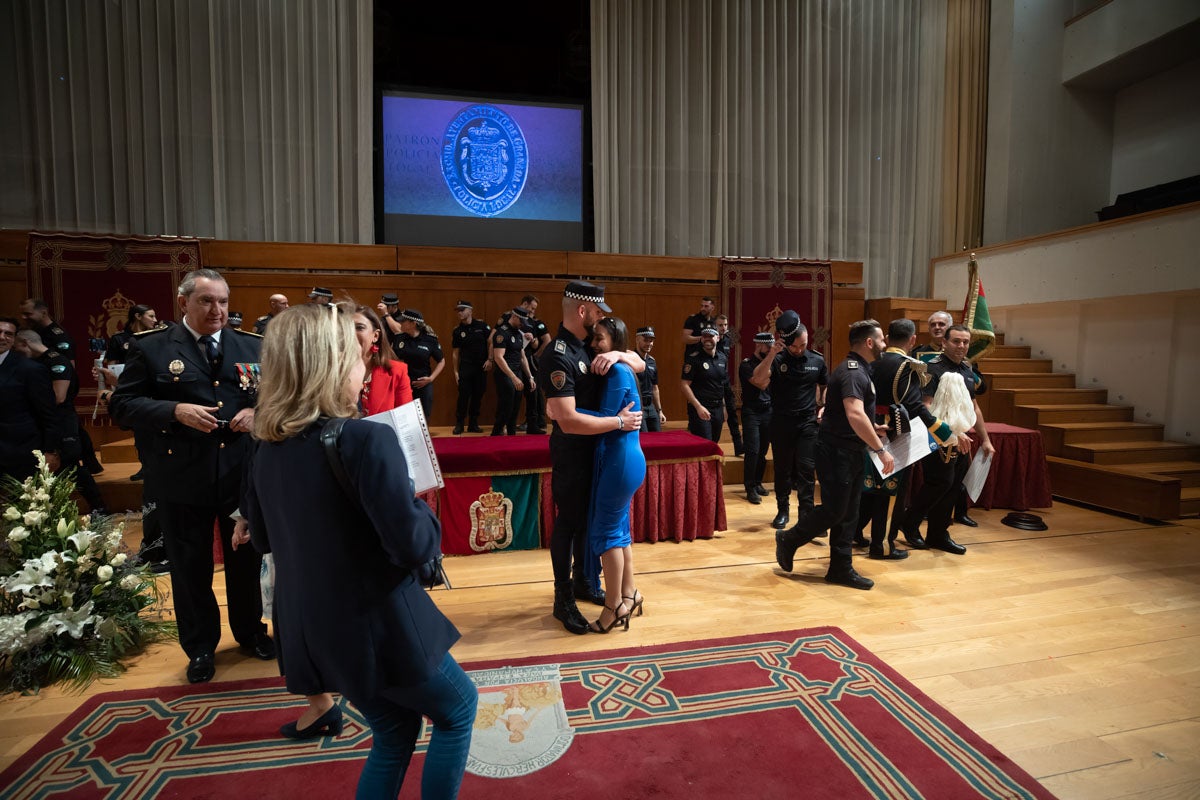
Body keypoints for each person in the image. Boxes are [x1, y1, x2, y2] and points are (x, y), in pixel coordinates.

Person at [241, 303, 475, 796]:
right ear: (330, 366)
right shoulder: (364, 439)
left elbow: (262, 539)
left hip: (311, 625)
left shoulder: (266, 445)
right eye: (355, 358)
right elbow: (414, 545)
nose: (364, 369)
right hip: (377, 623)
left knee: (394, 731)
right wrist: (416, 501)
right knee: (458, 710)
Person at [108, 268, 273, 684]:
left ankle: (251, 632)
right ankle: (200, 647)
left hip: (240, 474)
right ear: (183, 302)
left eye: (222, 301)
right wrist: (173, 411)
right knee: (189, 567)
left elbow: (277, 397)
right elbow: (122, 405)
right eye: (206, 301)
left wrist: (258, 412)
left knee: (245, 562)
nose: (217, 310)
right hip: (181, 476)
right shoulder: (152, 347)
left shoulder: (250, 345)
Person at [540, 281, 643, 634]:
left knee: (588, 522)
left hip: (597, 453)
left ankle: (585, 580)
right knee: (569, 524)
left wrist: (618, 354)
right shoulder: (557, 354)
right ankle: (563, 597)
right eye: (598, 312)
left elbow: (639, 362)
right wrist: (618, 421)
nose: (601, 318)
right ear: (582, 311)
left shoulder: (587, 346)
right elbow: (566, 419)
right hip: (573, 453)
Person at [774, 320, 895, 590]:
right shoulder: (853, 371)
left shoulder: (861, 369)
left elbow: (852, 415)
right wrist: (879, 448)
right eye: (882, 340)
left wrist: (873, 429)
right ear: (869, 342)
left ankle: (840, 568)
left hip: (849, 449)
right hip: (836, 451)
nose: (885, 345)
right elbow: (854, 414)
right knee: (835, 510)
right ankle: (790, 539)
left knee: (848, 513)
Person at [856, 319, 964, 558]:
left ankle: (854, 532)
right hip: (894, 431)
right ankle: (882, 545)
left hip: (865, 426)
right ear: (913, 339)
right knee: (890, 491)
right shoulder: (908, 366)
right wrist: (942, 431)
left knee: (866, 486)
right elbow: (914, 406)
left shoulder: (871, 360)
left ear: (888, 336)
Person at [899, 324, 996, 555]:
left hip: (962, 439)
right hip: (938, 437)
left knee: (952, 487)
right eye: (956, 341)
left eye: (965, 342)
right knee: (938, 484)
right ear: (944, 342)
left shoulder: (967, 369)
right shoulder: (932, 369)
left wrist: (985, 439)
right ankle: (910, 522)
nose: (961, 346)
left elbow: (974, 407)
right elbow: (927, 406)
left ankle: (938, 534)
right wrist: (952, 432)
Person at [579, 316, 647, 633]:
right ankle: (630, 594)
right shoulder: (624, 365)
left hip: (621, 460)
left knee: (607, 535)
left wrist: (566, 413)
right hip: (625, 458)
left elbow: (608, 419)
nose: (595, 344)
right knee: (619, 533)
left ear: (615, 341)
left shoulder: (619, 369)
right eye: (594, 338)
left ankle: (614, 607)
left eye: (600, 339)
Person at [749, 311, 827, 529]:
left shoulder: (817, 360)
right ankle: (783, 511)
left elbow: (825, 385)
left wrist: (824, 405)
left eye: (803, 345)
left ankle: (806, 517)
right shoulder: (778, 359)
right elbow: (757, 379)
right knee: (782, 470)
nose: (799, 349)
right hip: (781, 422)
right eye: (795, 346)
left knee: (806, 469)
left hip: (807, 424)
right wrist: (772, 353)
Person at [14, 330, 106, 513]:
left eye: (16, 346)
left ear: (25, 343)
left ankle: (99, 508)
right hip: (44, 424)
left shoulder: (56, 361)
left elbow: (59, 397)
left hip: (62, 423)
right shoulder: (35, 363)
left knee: (72, 468)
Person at [0, 316, 59, 486]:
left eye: (8, 334)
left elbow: (47, 413)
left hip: (19, 451)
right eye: (0, 332)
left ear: (13, 340)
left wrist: (50, 450)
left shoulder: (30, 369)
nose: (2, 337)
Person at [354, 305, 413, 416]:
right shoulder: (332, 373)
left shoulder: (397, 371)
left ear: (375, 336)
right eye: (346, 328)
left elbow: (405, 422)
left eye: (359, 327)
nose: (351, 333)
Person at [739, 331, 774, 504]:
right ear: (758, 345)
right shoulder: (746, 365)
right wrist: (768, 365)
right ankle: (750, 487)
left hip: (768, 411)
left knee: (763, 451)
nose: (770, 350)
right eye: (768, 347)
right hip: (751, 411)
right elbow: (761, 383)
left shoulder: (771, 363)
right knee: (752, 451)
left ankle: (758, 482)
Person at [392, 309, 444, 422]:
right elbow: (393, 359)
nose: (400, 323)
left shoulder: (430, 340)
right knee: (404, 418)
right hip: (403, 384)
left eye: (403, 321)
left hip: (423, 385)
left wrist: (431, 379)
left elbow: (441, 361)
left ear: (413, 323)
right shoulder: (399, 338)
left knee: (423, 418)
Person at [680, 326, 729, 443]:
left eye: (711, 336)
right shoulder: (693, 359)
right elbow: (684, 385)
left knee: (713, 444)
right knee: (704, 445)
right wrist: (698, 407)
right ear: (701, 339)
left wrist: (723, 408)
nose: (707, 339)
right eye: (704, 336)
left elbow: (721, 385)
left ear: (717, 338)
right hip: (700, 408)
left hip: (717, 408)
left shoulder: (722, 358)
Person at [491, 307, 534, 436]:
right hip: (505, 374)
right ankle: (496, 434)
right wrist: (513, 378)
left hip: (517, 372)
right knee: (506, 406)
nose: (522, 325)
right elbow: (498, 357)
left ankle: (511, 435)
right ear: (514, 317)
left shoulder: (518, 333)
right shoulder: (501, 333)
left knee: (515, 407)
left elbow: (522, 357)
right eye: (521, 322)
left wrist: (530, 376)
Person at [450, 300, 491, 435]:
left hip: (481, 367)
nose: (460, 313)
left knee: (477, 396)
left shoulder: (482, 326)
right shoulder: (457, 331)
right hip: (465, 368)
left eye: (462, 310)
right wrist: (456, 371)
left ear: (470, 311)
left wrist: (490, 359)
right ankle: (459, 423)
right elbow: (455, 353)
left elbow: (491, 342)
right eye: (458, 311)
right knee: (463, 397)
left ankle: (473, 423)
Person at [518, 295, 551, 435]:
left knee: (534, 390)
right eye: (531, 308)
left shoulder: (535, 323)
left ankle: (538, 421)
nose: (533, 311)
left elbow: (545, 340)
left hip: (529, 359)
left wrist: (536, 354)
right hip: (514, 359)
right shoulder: (512, 319)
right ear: (524, 304)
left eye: (534, 309)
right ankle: (534, 421)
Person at [715, 314, 744, 456]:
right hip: (713, 383)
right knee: (718, 417)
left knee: (732, 412)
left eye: (725, 325)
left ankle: (738, 446)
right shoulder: (710, 341)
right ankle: (712, 447)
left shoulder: (727, 339)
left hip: (725, 380)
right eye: (720, 325)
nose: (723, 328)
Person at [634, 326, 665, 432]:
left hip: (650, 406)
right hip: (638, 406)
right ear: (637, 339)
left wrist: (659, 411)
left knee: (658, 438)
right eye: (646, 340)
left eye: (651, 341)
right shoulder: (631, 359)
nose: (649, 343)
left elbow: (655, 387)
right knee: (644, 440)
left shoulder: (652, 361)